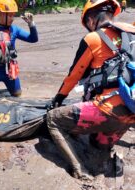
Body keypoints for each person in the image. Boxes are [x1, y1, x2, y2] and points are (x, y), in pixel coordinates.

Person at [46, 0, 135, 180]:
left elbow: (74, 75)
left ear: (92, 18)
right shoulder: (132, 32)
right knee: (97, 143)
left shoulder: (93, 39)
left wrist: (58, 99)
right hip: (131, 113)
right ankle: (104, 150)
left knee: (53, 120)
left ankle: (79, 169)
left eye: (87, 23)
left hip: (108, 109)